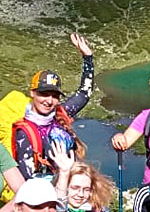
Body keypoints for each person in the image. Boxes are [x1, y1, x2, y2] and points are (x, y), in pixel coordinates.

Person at [12, 33, 94, 180]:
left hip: (73, 188)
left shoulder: (60, 114)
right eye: (44, 94)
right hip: (49, 195)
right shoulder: (25, 132)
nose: (49, 101)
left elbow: (84, 94)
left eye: (54, 96)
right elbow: (28, 178)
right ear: (32, 93)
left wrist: (88, 58)